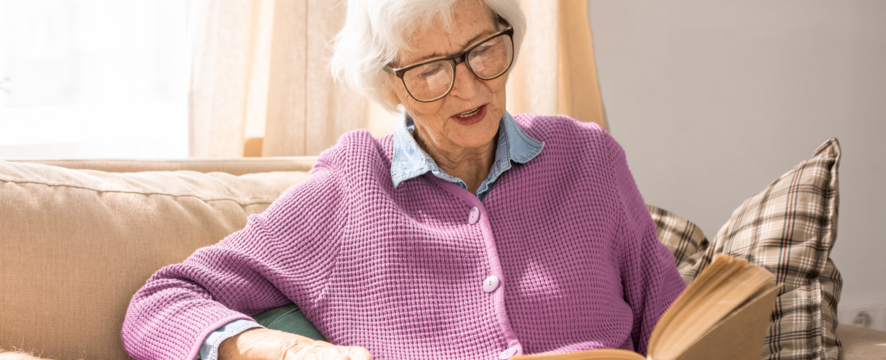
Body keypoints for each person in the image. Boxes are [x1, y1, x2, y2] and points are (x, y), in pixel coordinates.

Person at [121, 0, 686, 359]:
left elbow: (674, 318)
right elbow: (163, 302)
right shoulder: (350, 190)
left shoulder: (587, 158)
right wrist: (283, 352)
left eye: (483, 51)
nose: (469, 88)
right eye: (431, 69)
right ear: (388, 86)